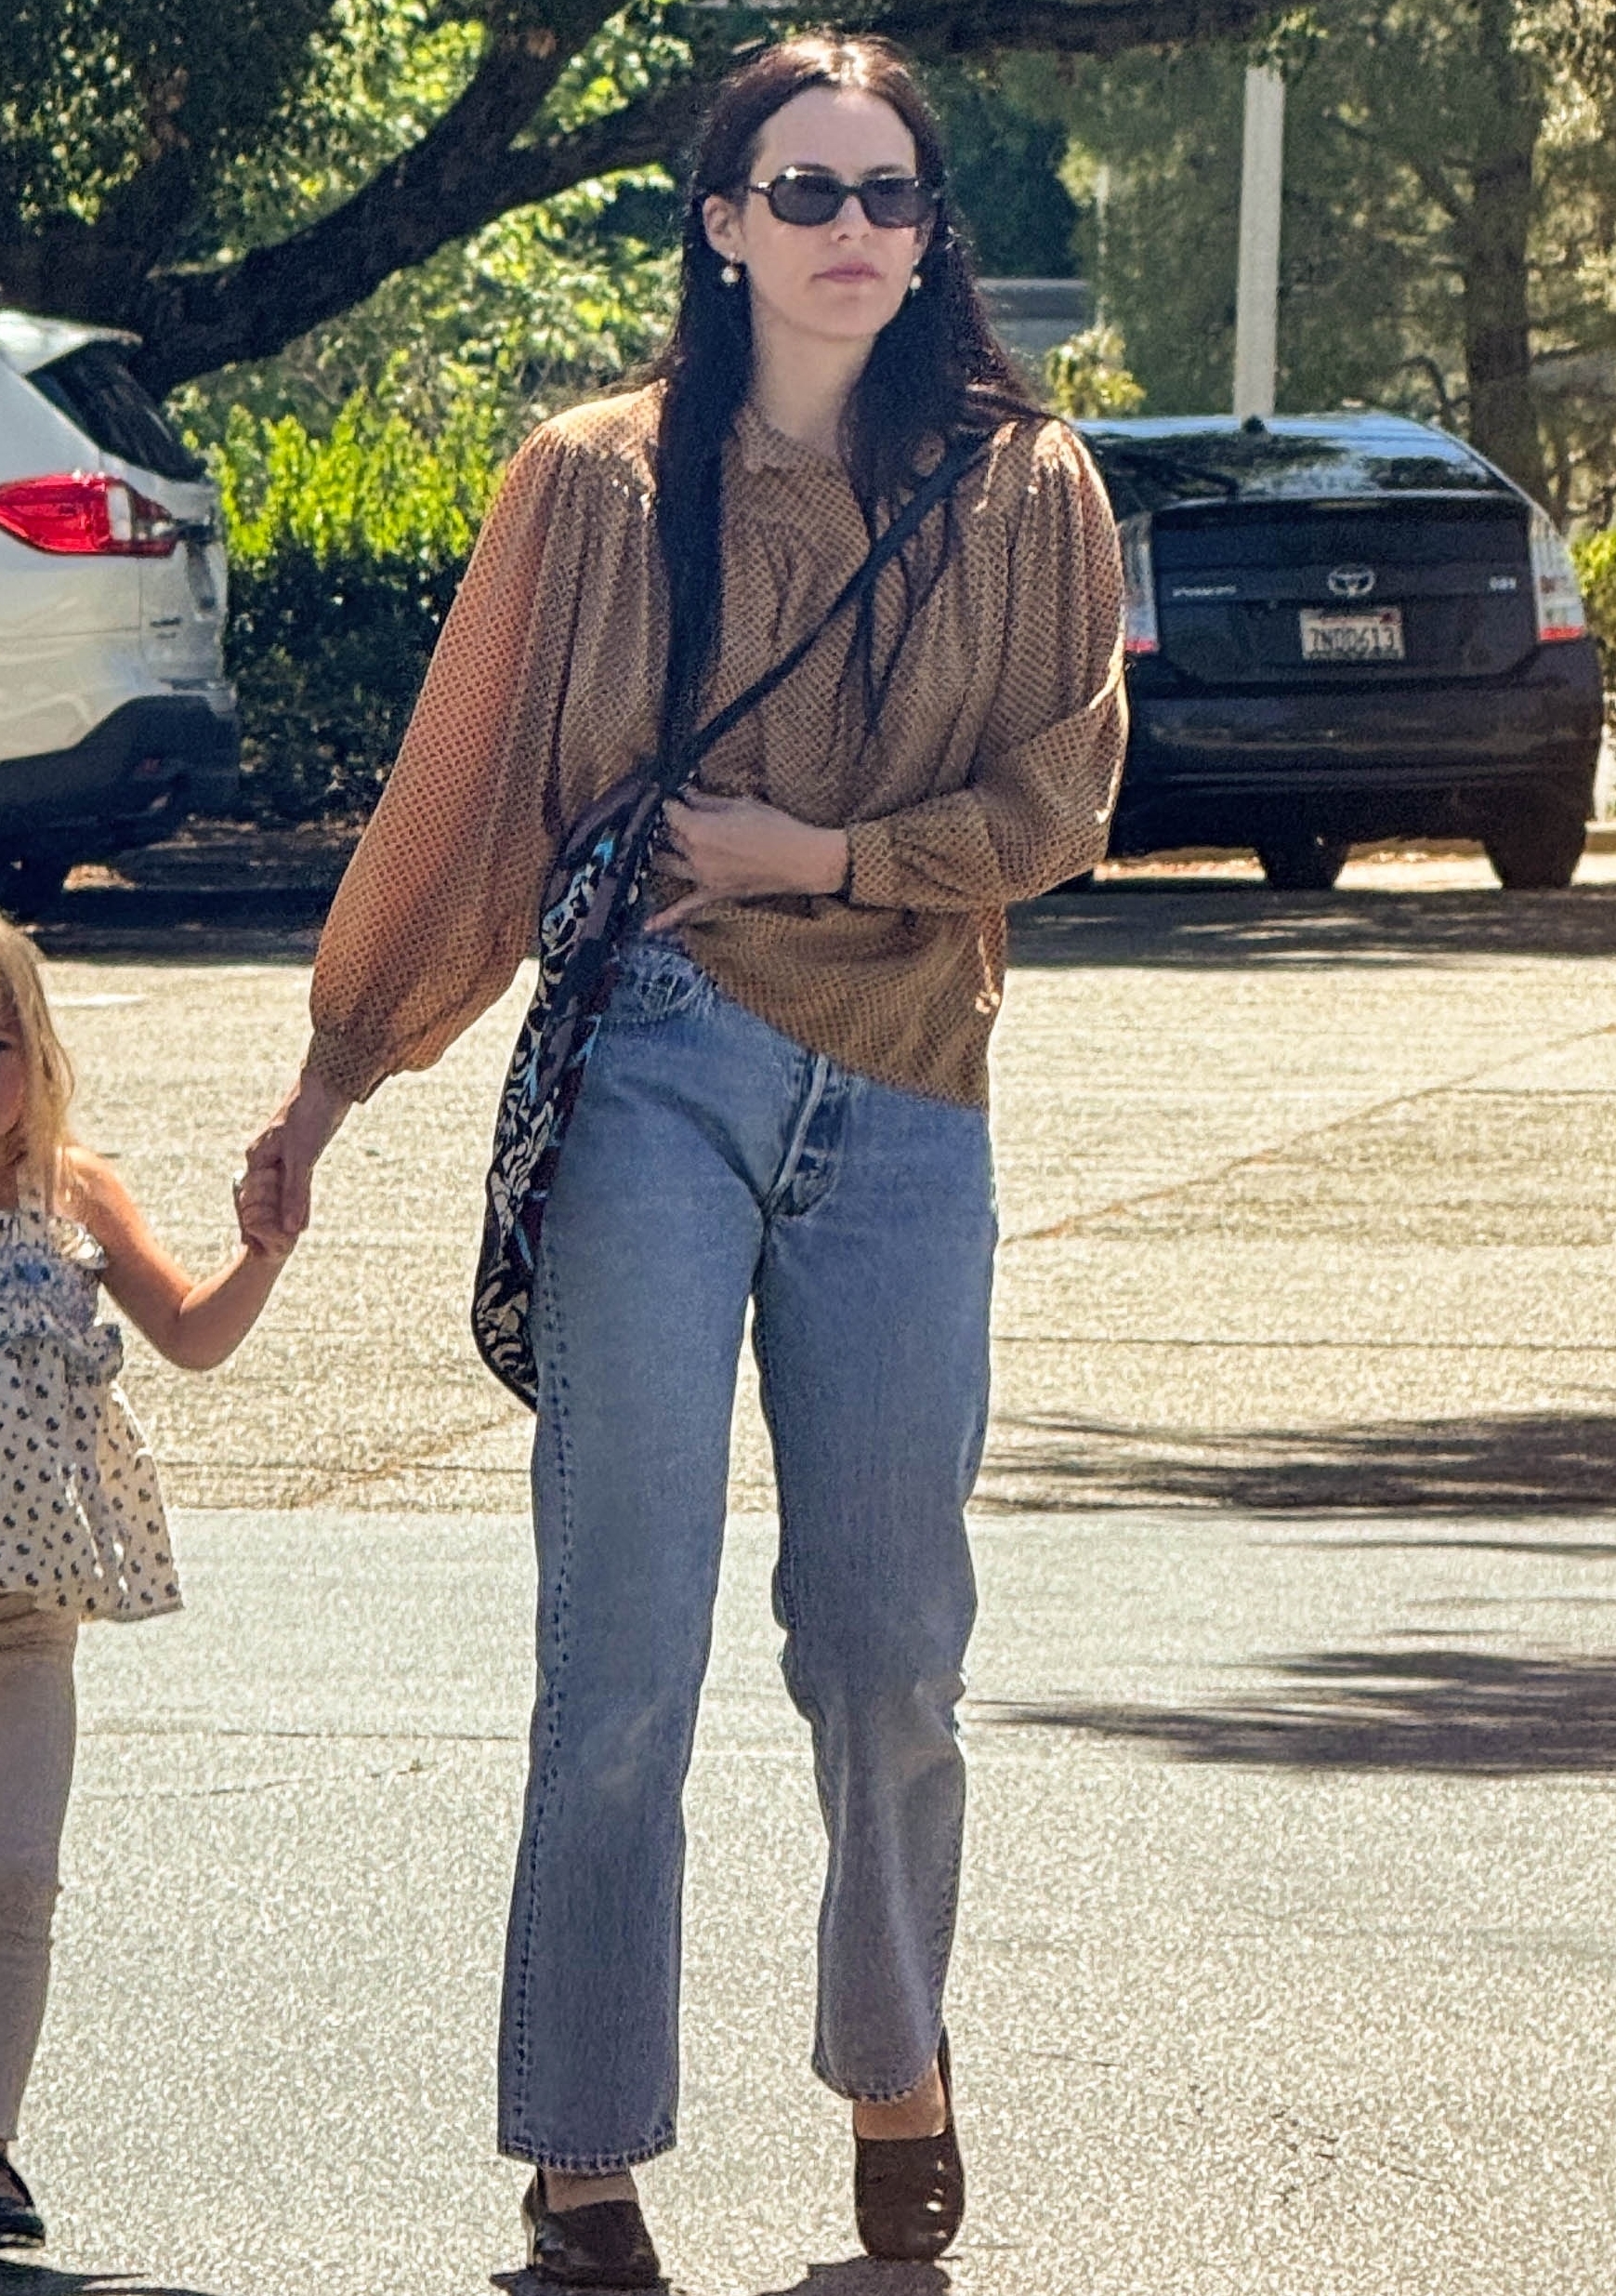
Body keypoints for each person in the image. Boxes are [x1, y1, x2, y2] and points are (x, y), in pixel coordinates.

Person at [241, 32, 1125, 2288]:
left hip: (911, 1094)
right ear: (721, 224)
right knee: (620, 1642)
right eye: (804, 190)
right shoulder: (595, 486)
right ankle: (584, 2160)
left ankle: (897, 2057)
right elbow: (467, 800)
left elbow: (1060, 799)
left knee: (890, 1645)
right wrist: (337, 1074)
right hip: (655, 1065)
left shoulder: (1030, 487)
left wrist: (826, 854)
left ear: (930, 235)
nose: (852, 231)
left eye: (890, 195)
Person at [0, 921, 296, 2251]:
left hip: (32, 1613)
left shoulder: (73, 1193)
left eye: (0, 1042)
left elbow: (190, 1332)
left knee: (20, 1875)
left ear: (39, 1054)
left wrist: (264, 1249)